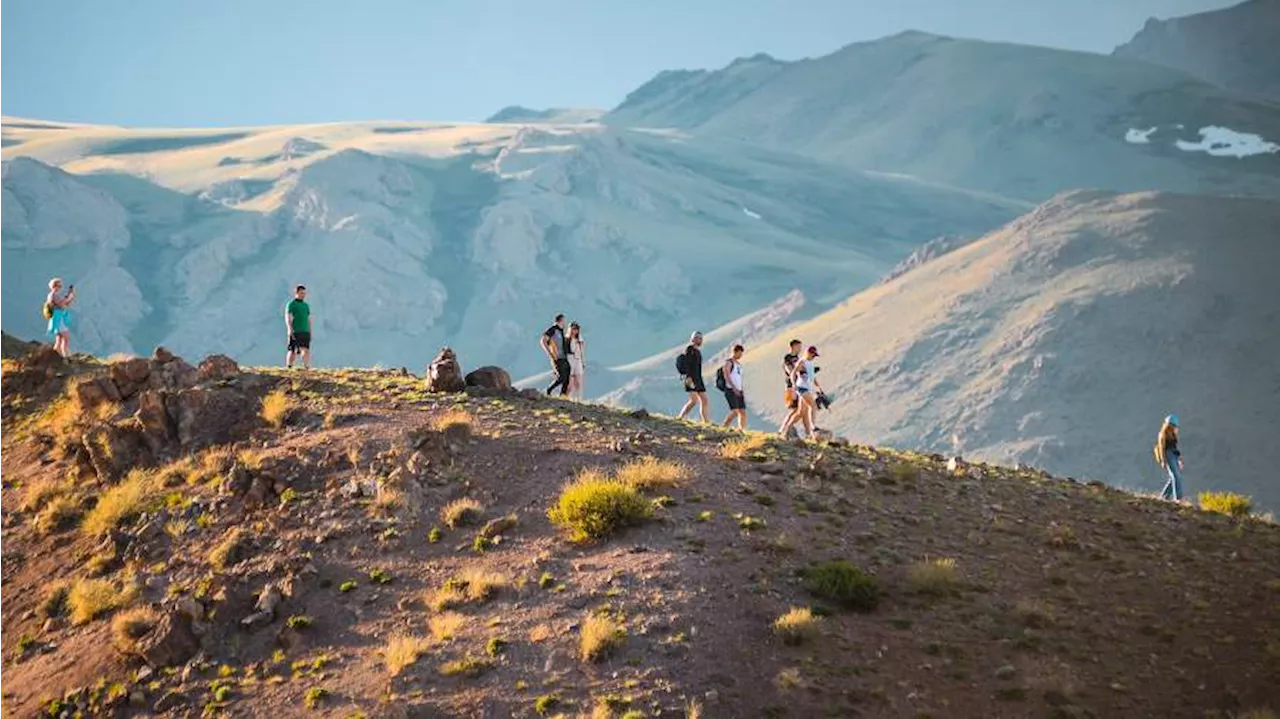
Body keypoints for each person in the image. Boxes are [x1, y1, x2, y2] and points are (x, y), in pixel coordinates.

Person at [780, 345, 823, 439]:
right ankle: (813, 427)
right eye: (812, 355)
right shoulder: (802, 362)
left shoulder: (810, 363)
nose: (813, 357)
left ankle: (786, 429)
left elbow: (812, 377)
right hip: (801, 387)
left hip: (807, 388)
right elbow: (793, 373)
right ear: (808, 353)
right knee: (813, 406)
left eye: (814, 355)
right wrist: (794, 385)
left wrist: (818, 387)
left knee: (800, 412)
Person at [676, 331, 709, 423]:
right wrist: (689, 378)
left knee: (704, 400)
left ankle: (706, 421)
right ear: (693, 339)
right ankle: (680, 417)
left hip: (698, 378)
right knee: (694, 400)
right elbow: (688, 364)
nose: (700, 340)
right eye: (699, 338)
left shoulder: (697, 351)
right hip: (691, 378)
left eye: (701, 338)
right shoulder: (690, 349)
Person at [1154, 414, 1185, 501]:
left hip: (1174, 455)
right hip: (1168, 455)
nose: (1174, 427)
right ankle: (1178, 498)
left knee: (1174, 477)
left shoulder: (1173, 434)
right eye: (1173, 425)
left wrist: (1179, 458)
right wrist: (1163, 460)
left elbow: (1175, 447)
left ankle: (1163, 497)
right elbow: (1161, 448)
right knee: (1176, 476)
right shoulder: (1162, 435)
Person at [44, 278, 76, 358]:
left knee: (59, 339)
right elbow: (61, 305)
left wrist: (69, 298)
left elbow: (64, 305)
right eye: (59, 286)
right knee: (66, 338)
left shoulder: (53, 295)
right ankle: (64, 355)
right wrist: (68, 298)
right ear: (54, 286)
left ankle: (56, 355)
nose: (61, 287)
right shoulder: (53, 295)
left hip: (57, 318)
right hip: (58, 319)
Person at [542, 314, 571, 396]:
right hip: (557, 358)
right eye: (564, 321)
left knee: (567, 376)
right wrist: (550, 353)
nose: (565, 323)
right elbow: (543, 340)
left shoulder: (561, 331)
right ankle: (548, 390)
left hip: (564, 357)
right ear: (559, 321)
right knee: (561, 377)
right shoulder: (553, 330)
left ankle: (563, 395)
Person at [720, 343, 747, 430]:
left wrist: (741, 389)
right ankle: (724, 427)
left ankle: (741, 429)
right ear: (735, 352)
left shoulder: (738, 364)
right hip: (731, 389)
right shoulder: (729, 362)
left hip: (739, 390)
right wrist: (733, 387)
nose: (740, 355)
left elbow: (738, 378)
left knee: (742, 411)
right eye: (739, 353)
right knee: (735, 411)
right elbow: (726, 375)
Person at [285, 285, 312, 369]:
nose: (303, 295)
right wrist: (289, 329)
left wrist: (310, 331)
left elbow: (308, 319)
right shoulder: (291, 304)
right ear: (296, 293)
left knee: (306, 349)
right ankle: (289, 366)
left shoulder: (306, 305)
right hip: (295, 330)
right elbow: (288, 317)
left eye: (304, 293)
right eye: (301, 293)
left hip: (305, 330)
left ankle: (306, 366)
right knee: (292, 350)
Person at [778, 339, 802, 434]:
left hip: (797, 384)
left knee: (798, 409)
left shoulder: (797, 358)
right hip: (791, 386)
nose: (800, 349)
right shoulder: (787, 358)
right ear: (793, 346)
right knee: (794, 408)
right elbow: (790, 370)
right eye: (798, 347)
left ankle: (786, 428)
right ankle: (784, 429)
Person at [567, 322, 587, 400]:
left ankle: (578, 398)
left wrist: (583, 362)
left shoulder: (579, 339)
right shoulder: (567, 339)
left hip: (578, 359)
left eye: (577, 329)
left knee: (578, 381)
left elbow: (582, 351)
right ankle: (569, 398)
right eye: (573, 329)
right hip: (570, 358)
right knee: (570, 382)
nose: (575, 331)